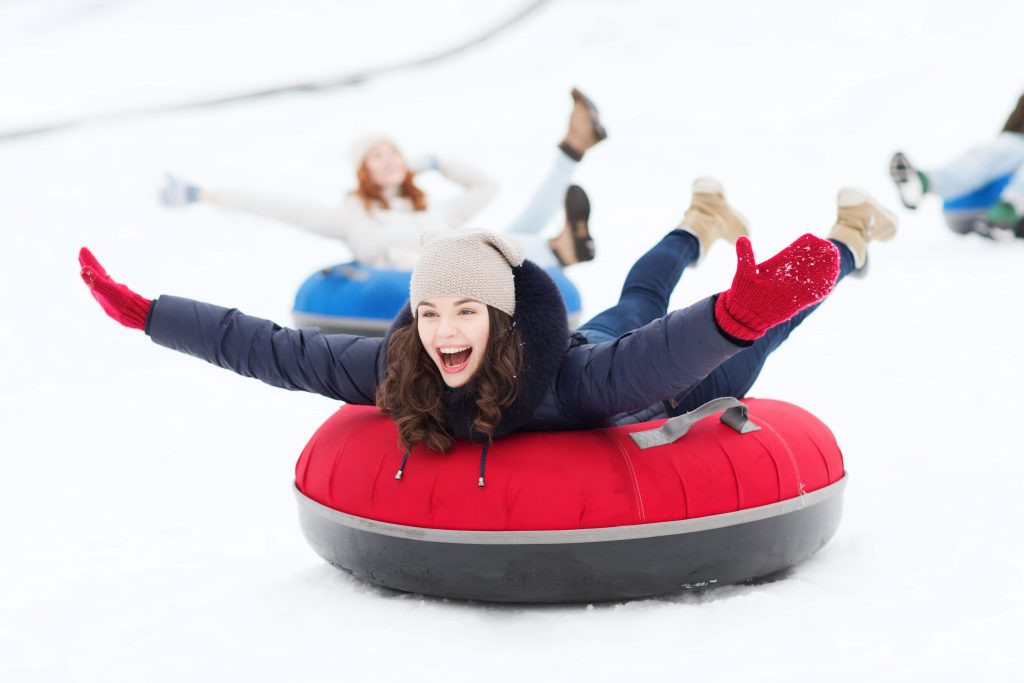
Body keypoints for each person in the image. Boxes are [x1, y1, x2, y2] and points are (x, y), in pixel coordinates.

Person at [79, 180, 896, 483]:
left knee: (720, 318)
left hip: (670, 381)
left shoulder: (572, 385)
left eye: (464, 310)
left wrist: (733, 317)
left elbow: (654, 359)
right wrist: (152, 314)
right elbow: (276, 349)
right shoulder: (403, 370)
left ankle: (847, 238)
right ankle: (701, 215)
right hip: (600, 347)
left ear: (498, 320)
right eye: (430, 313)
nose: (444, 329)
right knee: (638, 296)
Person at [159, 88, 607, 269]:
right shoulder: (350, 214)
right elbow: (280, 207)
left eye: (394, 150)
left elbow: (487, 187)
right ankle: (559, 247)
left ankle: (573, 146)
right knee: (499, 239)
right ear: (364, 170)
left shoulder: (430, 206)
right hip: (433, 278)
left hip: (469, 257)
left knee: (517, 227)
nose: (389, 158)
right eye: (377, 155)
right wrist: (205, 193)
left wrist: (437, 162)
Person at [890, 92, 1024, 238]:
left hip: (1008, 211)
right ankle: (925, 183)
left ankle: (1011, 208)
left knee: (1008, 146)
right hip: (968, 208)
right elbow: (1006, 138)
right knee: (1005, 146)